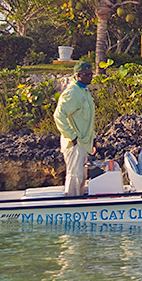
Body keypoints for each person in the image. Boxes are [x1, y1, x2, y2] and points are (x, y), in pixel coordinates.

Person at [53, 61, 96, 196]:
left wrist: (92, 139)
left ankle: (79, 203)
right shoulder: (72, 93)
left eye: (91, 74)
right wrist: (72, 137)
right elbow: (59, 115)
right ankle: (71, 204)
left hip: (84, 142)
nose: (90, 77)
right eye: (87, 74)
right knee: (74, 176)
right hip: (74, 144)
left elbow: (87, 119)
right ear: (77, 75)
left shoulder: (84, 91)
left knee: (82, 176)